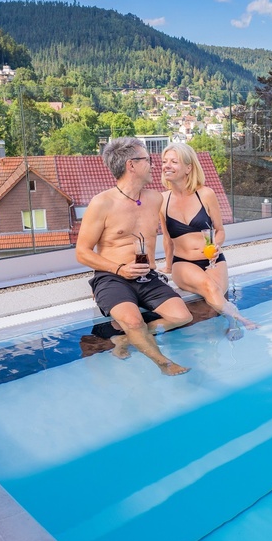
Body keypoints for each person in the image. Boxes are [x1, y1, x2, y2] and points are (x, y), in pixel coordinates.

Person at [75, 138, 191, 376]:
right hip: (112, 277)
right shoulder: (102, 203)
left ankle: (124, 339)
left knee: (182, 315)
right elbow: (82, 252)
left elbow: (182, 206)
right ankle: (164, 364)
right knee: (134, 322)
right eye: (148, 159)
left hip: (146, 276)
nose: (154, 164)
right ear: (132, 165)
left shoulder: (155, 198)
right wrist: (119, 269)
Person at [160, 143, 256, 330]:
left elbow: (220, 231)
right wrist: (168, 266)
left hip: (212, 259)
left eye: (173, 162)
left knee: (215, 299)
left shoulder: (206, 194)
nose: (167, 166)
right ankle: (239, 321)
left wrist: (216, 246)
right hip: (183, 262)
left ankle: (225, 326)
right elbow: (166, 238)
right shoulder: (162, 200)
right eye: (164, 162)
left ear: (188, 168)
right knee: (210, 288)